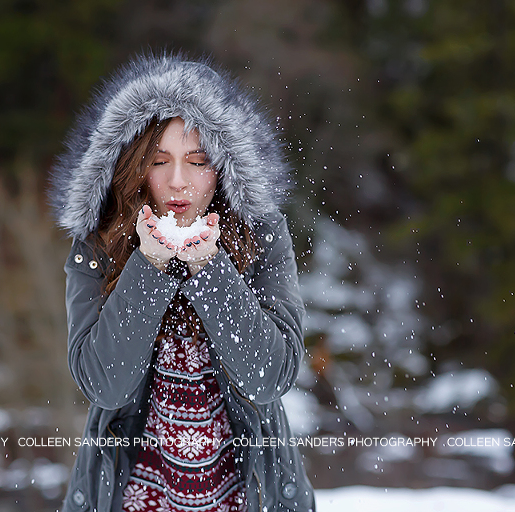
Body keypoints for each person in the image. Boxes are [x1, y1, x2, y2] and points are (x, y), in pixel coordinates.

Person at [49, 52, 315, 512]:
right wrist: (149, 269)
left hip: (251, 496)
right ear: (133, 166)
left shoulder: (262, 236)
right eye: (159, 161)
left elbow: (269, 377)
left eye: (197, 161)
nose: (178, 181)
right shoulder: (98, 244)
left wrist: (210, 270)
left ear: (225, 167)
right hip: (128, 498)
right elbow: (104, 385)